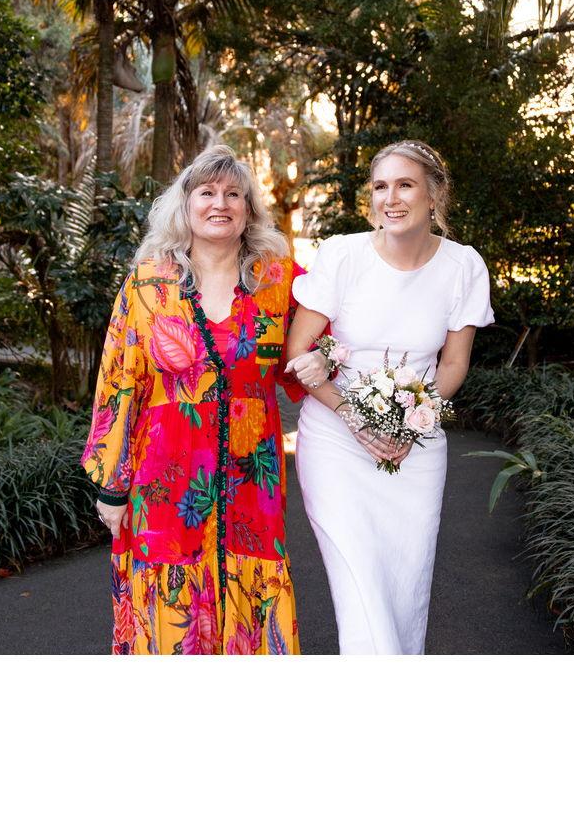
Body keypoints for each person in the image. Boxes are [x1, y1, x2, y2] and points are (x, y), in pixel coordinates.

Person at [82, 145, 306, 655]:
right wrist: (113, 488)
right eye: (206, 192)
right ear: (185, 205)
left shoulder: (280, 281)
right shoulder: (147, 284)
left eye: (233, 194)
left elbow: (319, 355)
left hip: (253, 480)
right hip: (164, 479)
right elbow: (118, 385)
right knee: (170, 607)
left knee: (254, 590)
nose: (219, 203)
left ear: (249, 208)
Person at [285, 139, 493, 654]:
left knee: (405, 584)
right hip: (335, 440)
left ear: (433, 196)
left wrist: (413, 423)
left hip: (414, 451)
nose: (391, 198)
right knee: (359, 581)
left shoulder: (463, 267)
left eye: (405, 185)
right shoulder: (342, 255)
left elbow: (453, 363)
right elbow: (298, 348)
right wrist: (354, 416)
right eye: (381, 186)